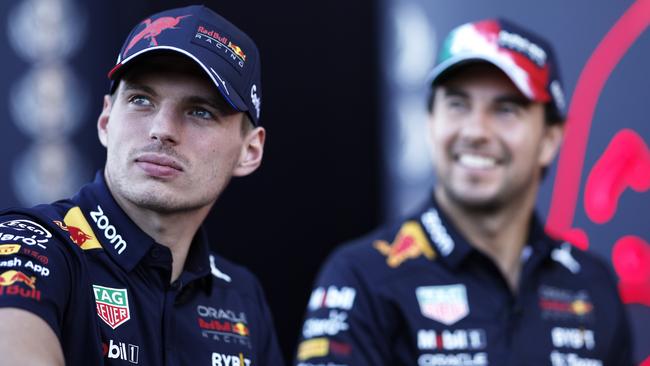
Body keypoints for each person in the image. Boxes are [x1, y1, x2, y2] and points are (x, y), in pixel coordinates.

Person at [294, 18, 632, 366]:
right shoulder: (363, 276)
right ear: (430, 123)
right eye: (457, 104)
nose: (475, 131)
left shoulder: (592, 285)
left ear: (550, 139)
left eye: (505, 109)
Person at [0, 4, 284, 365]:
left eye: (200, 111)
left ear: (250, 150)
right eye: (141, 100)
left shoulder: (240, 295)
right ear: (106, 120)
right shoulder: (29, 244)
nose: (162, 129)